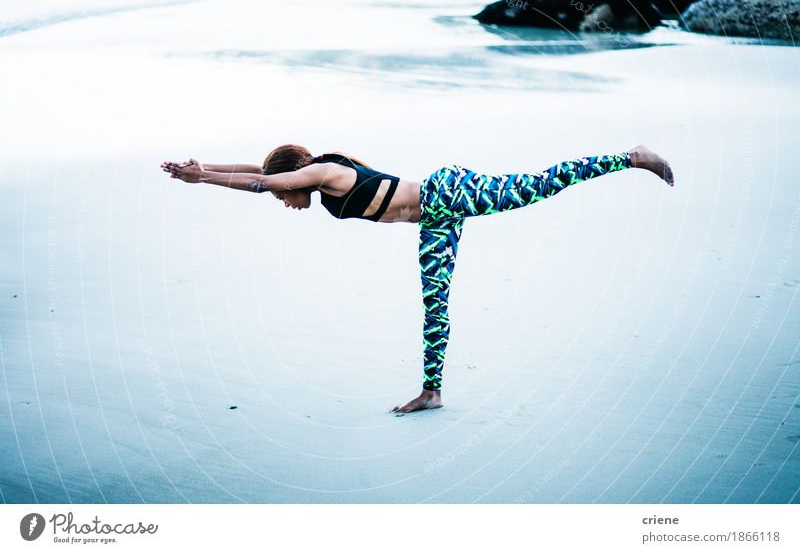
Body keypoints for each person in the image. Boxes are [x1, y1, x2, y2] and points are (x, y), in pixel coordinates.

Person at [161, 144, 674, 414]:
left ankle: (630, 158)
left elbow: (260, 181)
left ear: (297, 176)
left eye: (283, 193)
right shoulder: (318, 173)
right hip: (435, 217)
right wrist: (204, 165)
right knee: (435, 306)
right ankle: (432, 393)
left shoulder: (326, 174)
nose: (283, 200)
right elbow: (262, 169)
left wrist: (202, 180)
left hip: (447, 194)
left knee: (538, 187)